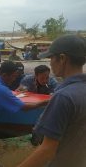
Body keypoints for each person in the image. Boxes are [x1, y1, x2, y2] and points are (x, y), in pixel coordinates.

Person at [17, 35, 86, 167]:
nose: (50, 63)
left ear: (62, 59)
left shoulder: (64, 96)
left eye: (51, 58)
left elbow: (47, 150)